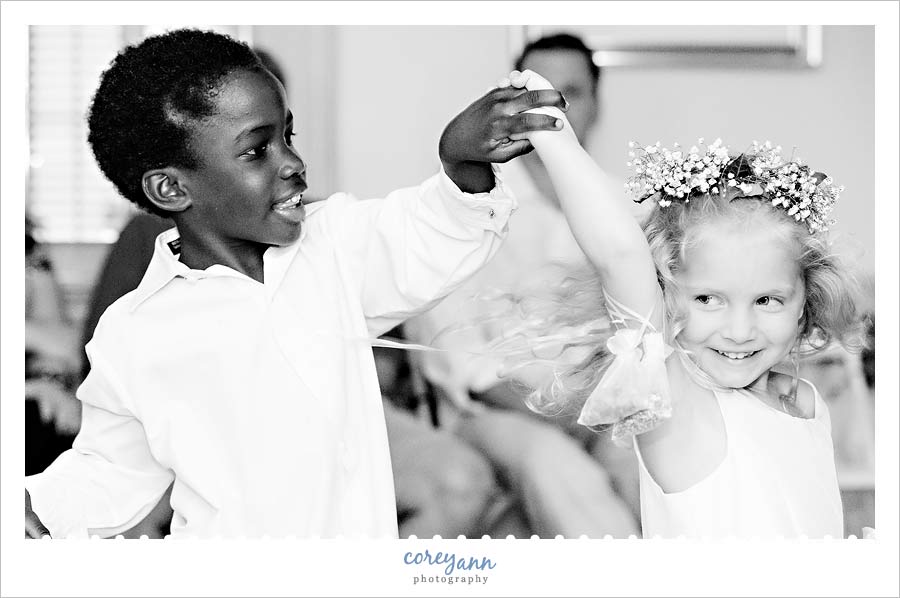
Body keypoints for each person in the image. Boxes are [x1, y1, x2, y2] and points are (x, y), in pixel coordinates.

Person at [23, 28, 567, 539]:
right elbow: (110, 471)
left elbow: (432, 233)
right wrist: (34, 511)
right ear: (171, 188)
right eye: (258, 149)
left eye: (289, 135)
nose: (294, 163)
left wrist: (462, 162)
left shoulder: (334, 248)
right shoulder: (135, 332)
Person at [504, 69, 867, 538]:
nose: (740, 329)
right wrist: (551, 134)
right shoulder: (675, 407)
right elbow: (619, 256)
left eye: (767, 300)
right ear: (667, 295)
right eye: (708, 299)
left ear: (806, 300)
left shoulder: (804, 402)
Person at [404, 33, 641, 538]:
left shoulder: (630, 211)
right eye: (538, 97)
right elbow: (461, 361)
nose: (554, 112)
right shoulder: (474, 205)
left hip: (608, 408)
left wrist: (604, 411)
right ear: (511, 107)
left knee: (651, 465)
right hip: (497, 412)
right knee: (555, 464)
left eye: (570, 95)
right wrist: (560, 416)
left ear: (596, 105)